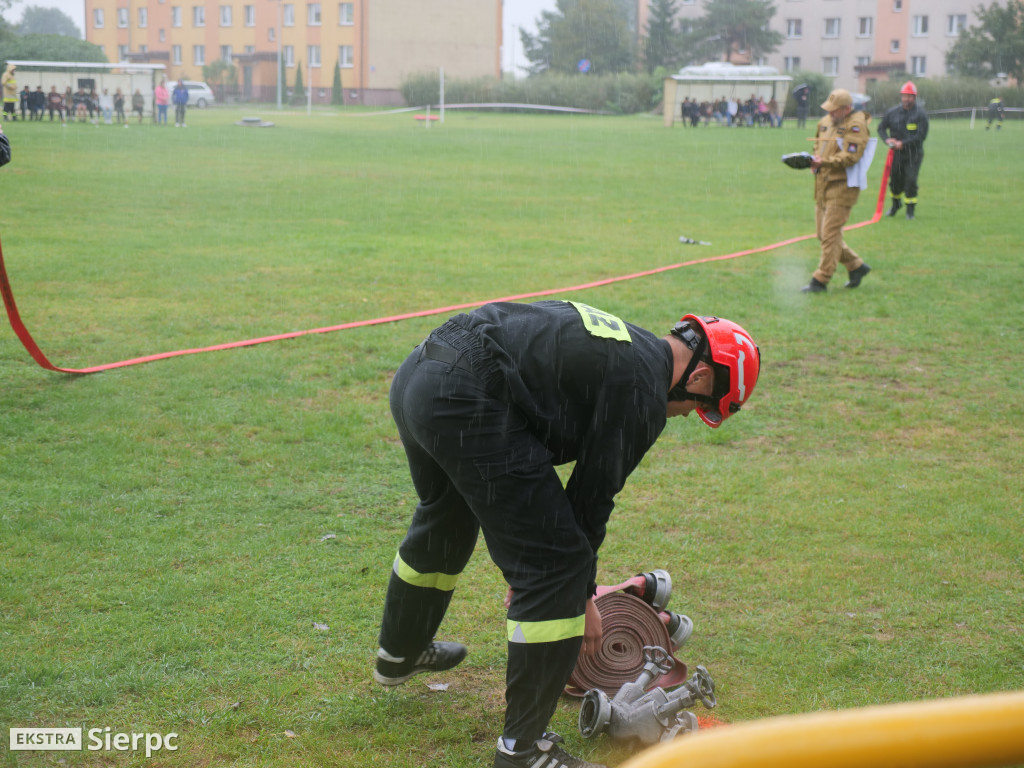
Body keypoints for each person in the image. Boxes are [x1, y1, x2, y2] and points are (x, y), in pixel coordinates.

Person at [374, 299, 761, 768]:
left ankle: (400, 652)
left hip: (420, 374)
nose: (684, 414)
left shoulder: (632, 348)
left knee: (446, 517)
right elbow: (590, 500)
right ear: (698, 378)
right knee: (556, 566)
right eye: (700, 406)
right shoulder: (644, 391)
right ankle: (523, 753)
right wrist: (578, 594)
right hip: (466, 397)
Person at [802, 88, 872, 293]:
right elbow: (818, 146)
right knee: (822, 234)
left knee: (830, 235)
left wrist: (824, 162)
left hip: (843, 186)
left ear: (847, 109)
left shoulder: (856, 126)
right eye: (829, 109)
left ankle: (820, 280)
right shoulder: (825, 122)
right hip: (823, 183)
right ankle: (856, 266)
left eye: (834, 110)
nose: (830, 113)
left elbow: (851, 156)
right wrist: (813, 160)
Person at [877, 81, 929, 220]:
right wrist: (887, 140)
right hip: (896, 154)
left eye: (909, 96)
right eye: (904, 96)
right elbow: (881, 128)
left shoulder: (921, 114)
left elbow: (921, 136)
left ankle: (910, 211)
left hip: (914, 154)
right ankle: (895, 205)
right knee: (895, 181)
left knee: (910, 181)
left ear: (914, 97)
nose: (906, 99)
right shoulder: (892, 112)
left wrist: (903, 143)